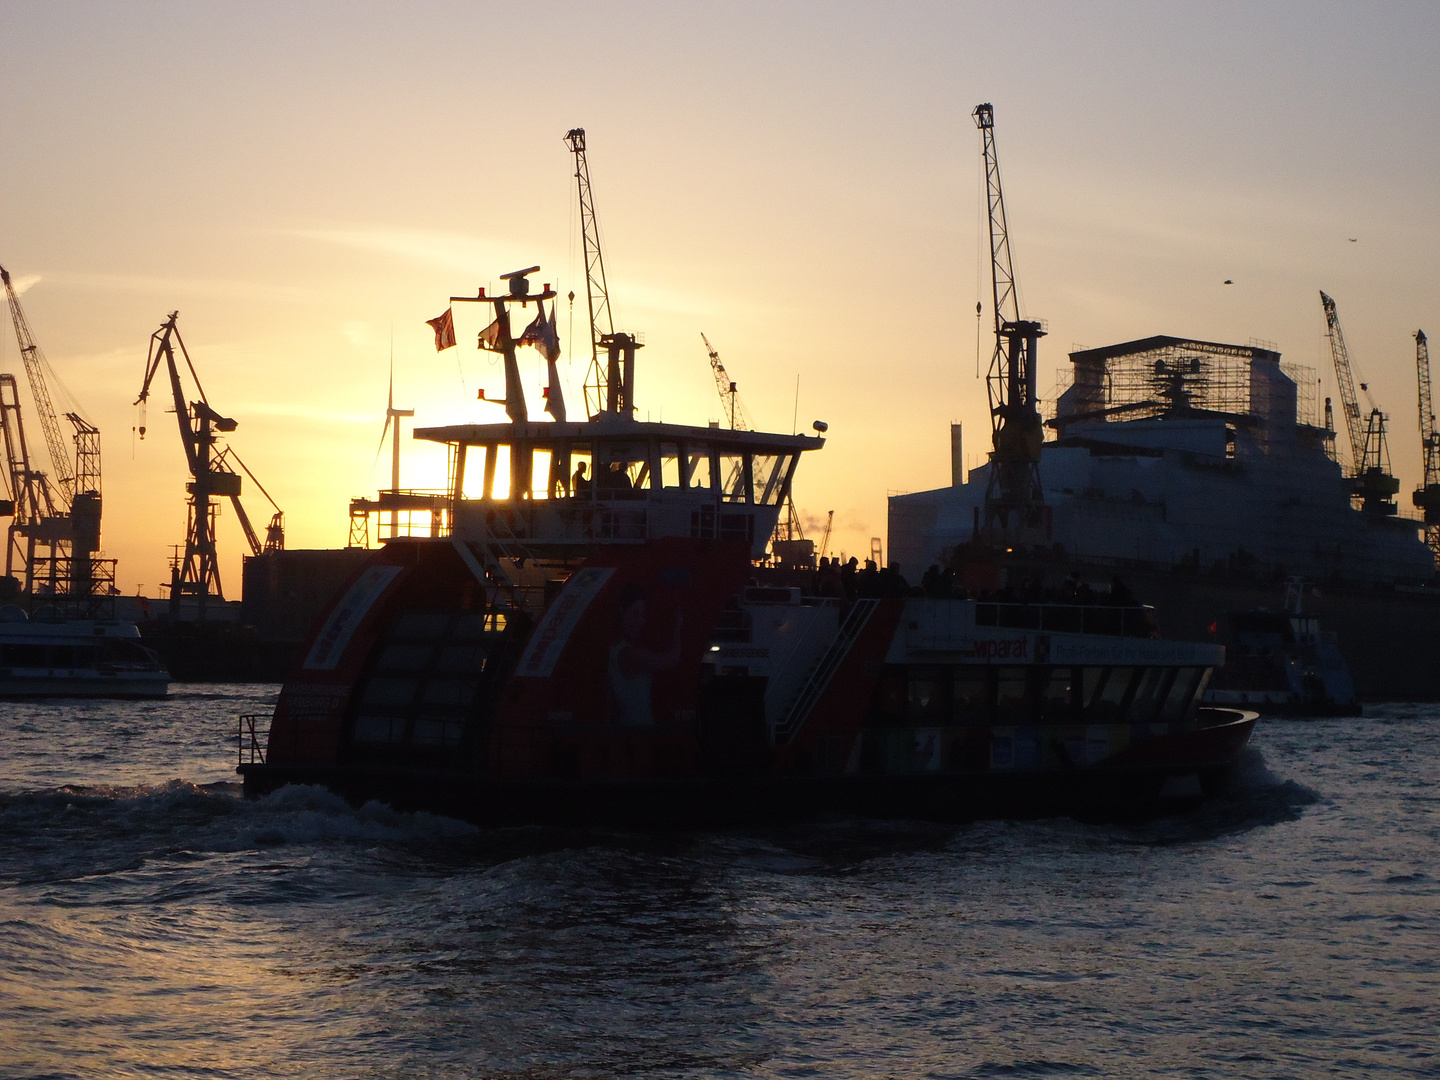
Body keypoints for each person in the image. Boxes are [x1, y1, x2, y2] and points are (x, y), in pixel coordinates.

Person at [609, 584, 683, 727]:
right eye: (635, 614)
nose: (640, 621)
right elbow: (673, 659)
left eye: (642, 615)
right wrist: (677, 628)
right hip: (640, 729)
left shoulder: (613, 649)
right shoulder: (631, 655)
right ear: (622, 612)